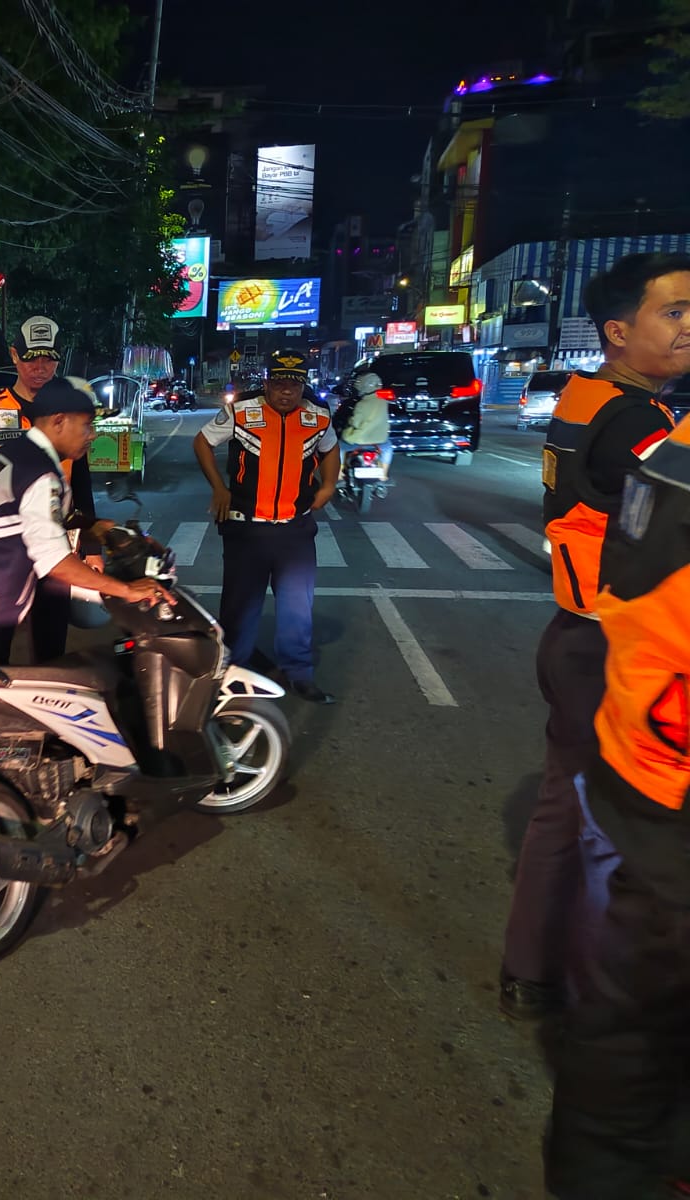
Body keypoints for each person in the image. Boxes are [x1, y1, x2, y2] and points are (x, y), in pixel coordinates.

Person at [500, 251, 687, 1020]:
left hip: (578, 629)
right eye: (672, 312)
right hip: (611, 643)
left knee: (570, 807)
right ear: (616, 330)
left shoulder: (589, 396)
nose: (688, 327)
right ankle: (587, 989)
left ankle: (539, 970)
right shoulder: (639, 421)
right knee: (616, 821)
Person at [545, 410, 690, 1197]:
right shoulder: (638, 422)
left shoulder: (672, 441)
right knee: (626, 1046)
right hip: (662, 801)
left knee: (622, 1043)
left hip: (641, 772)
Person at [0, 377, 160, 668]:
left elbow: (28, 514)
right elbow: (56, 562)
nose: (92, 435)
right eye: (86, 425)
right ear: (59, 421)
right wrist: (127, 590)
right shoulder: (39, 474)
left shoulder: (18, 453)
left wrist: (93, 526)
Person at [0, 315, 102, 662]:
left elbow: (81, 483)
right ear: (15, 356)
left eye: (48, 359)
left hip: (54, 549)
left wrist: (93, 548)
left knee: (51, 647)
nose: (40, 368)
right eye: (31, 358)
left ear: (58, 360)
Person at [192, 349, 339, 704]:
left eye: (294, 384)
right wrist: (219, 487)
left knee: (297, 609)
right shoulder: (242, 410)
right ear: (267, 382)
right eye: (279, 383)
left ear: (303, 385)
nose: (286, 391)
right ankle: (232, 674)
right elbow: (202, 442)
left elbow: (331, 449)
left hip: (294, 530)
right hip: (247, 531)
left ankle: (299, 673)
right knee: (240, 609)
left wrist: (329, 484)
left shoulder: (318, 415)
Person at [336, 371, 393, 482]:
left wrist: (350, 420)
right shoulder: (383, 402)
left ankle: (339, 473)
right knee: (388, 448)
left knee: (339, 447)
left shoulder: (362, 404)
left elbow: (356, 423)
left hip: (359, 440)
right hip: (380, 441)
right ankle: (384, 474)